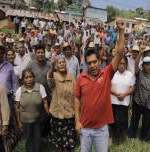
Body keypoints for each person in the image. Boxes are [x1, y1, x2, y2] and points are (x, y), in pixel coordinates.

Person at [74, 20, 125, 152]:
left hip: (102, 129)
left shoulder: (107, 73)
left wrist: (121, 31)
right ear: (86, 64)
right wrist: (77, 121)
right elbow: (77, 99)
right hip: (84, 127)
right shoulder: (81, 78)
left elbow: (119, 53)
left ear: (100, 60)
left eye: (94, 62)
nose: (92, 65)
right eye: (89, 63)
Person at [15, 69, 49, 152]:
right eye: (26, 77)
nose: (29, 79)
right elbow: (17, 107)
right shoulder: (20, 90)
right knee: (28, 139)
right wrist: (19, 122)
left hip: (38, 119)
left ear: (34, 77)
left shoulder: (40, 87)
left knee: (37, 138)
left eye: (31, 77)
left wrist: (48, 114)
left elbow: (45, 102)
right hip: (25, 121)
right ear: (23, 80)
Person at [47, 55, 76, 152]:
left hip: (70, 113)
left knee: (70, 137)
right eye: (59, 63)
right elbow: (50, 78)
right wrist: (51, 67)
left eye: (63, 62)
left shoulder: (71, 77)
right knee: (60, 139)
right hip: (58, 113)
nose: (62, 64)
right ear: (56, 66)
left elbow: (76, 94)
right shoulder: (54, 76)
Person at [128, 51, 150, 141]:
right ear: (143, 65)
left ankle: (144, 137)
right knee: (135, 119)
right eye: (146, 65)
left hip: (149, 103)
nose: (148, 67)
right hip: (138, 100)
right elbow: (136, 64)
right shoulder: (139, 73)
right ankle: (132, 135)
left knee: (147, 121)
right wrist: (141, 52)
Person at [26, 44, 52, 137]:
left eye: (42, 52)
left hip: (48, 96)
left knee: (47, 116)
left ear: (45, 53)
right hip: (35, 96)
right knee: (36, 117)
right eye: (38, 52)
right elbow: (26, 78)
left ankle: (46, 135)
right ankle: (37, 135)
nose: (40, 54)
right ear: (35, 53)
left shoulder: (49, 65)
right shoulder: (30, 64)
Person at [110, 57, 135, 144]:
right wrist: (116, 94)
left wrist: (124, 94)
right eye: (120, 63)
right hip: (113, 101)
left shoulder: (130, 74)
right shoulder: (112, 74)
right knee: (113, 120)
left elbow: (132, 88)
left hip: (124, 102)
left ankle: (120, 136)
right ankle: (113, 136)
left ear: (126, 65)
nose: (121, 66)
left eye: (124, 64)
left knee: (123, 120)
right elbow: (108, 87)